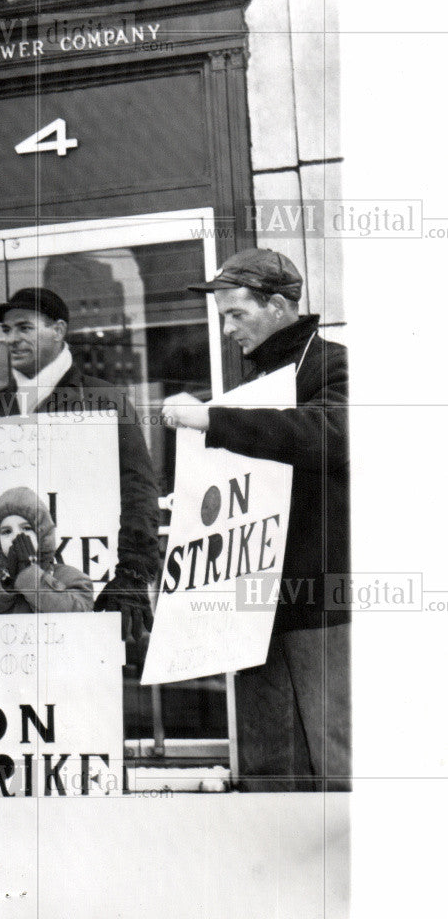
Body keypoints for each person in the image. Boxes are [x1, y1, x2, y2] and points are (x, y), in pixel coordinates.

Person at [162, 248, 350, 792]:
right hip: (255, 609)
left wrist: (213, 420)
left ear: (277, 305)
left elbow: (327, 436)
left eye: (236, 314)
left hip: (321, 604)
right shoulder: (258, 386)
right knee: (270, 766)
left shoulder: (333, 364)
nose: (226, 329)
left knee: (337, 759)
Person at [0, 287, 161, 640]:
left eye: (24, 328)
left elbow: (139, 492)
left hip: (77, 597)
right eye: (6, 331)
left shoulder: (103, 400)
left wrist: (134, 575)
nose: (12, 340)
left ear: (58, 330)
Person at [0, 487, 94, 615]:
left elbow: (79, 618)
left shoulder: (73, 578)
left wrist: (31, 577)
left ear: (42, 534)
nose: (16, 537)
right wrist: (5, 585)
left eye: (26, 528)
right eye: (7, 532)